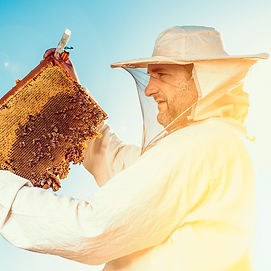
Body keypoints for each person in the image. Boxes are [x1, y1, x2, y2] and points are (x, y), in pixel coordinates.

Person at [0, 26, 268, 270]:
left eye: (161, 75)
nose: (149, 89)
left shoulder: (202, 143)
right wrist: (73, 99)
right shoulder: (217, 142)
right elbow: (119, 164)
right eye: (149, 76)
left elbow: (92, 228)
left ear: (202, 78)